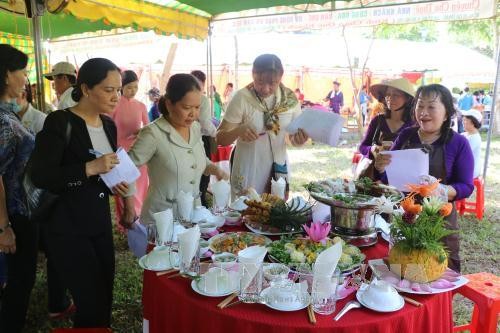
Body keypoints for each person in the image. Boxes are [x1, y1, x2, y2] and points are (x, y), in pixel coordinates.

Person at [31, 58, 128, 328]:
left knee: (104, 291)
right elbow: (42, 176)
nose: (116, 97)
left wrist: (114, 182)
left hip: (98, 221)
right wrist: (89, 168)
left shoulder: (108, 125)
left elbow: (102, 173)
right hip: (66, 226)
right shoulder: (60, 122)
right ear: (86, 89)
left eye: (118, 90)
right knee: (90, 298)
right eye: (109, 90)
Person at [374, 84, 474, 272]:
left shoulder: (459, 143)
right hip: (404, 215)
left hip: (438, 220)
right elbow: (390, 176)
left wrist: (442, 190)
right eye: (420, 106)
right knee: (402, 269)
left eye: (431, 106)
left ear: (446, 113)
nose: (423, 112)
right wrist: (381, 167)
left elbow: (466, 186)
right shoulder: (406, 135)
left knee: (434, 271)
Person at [120, 73, 228, 227]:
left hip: (193, 214)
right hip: (162, 218)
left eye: (197, 108)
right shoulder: (153, 133)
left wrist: (215, 169)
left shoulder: (195, 128)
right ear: (170, 104)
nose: (193, 114)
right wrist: (129, 208)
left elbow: (199, 159)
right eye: (186, 107)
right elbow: (125, 169)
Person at [15, 83, 74, 321]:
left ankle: (57, 301)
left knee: (53, 250)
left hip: (39, 198)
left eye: (21, 92)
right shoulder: (5, 119)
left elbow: (50, 168)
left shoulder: (41, 120)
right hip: (13, 201)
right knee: (23, 257)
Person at [216, 54, 309, 198]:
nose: (265, 89)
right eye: (259, 82)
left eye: (273, 83)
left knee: (275, 212)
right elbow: (220, 138)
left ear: (281, 77)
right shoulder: (242, 98)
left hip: (278, 167)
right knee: (247, 211)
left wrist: (298, 140)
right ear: (253, 74)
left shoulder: (290, 100)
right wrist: (238, 131)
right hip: (249, 166)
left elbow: (291, 138)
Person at [0, 44, 37, 333]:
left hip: (18, 209)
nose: (26, 78)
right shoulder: (1, 121)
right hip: (12, 214)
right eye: (22, 71)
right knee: (18, 280)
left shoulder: (6, 112)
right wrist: (4, 227)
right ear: (6, 74)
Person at [112, 70, 149, 231]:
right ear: (121, 87)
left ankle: (139, 219)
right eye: (129, 87)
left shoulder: (141, 105)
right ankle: (126, 223)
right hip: (119, 152)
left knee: (140, 187)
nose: (133, 91)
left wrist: (141, 132)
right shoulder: (113, 105)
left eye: (135, 87)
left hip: (138, 151)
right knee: (124, 189)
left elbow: (149, 128)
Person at [359, 78, 415, 160]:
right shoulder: (377, 121)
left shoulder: (413, 125)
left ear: (407, 99)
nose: (390, 98)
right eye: (388, 94)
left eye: (396, 95)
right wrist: (372, 149)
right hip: (378, 170)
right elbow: (363, 147)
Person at [190, 70, 217, 208]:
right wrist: (216, 133)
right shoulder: (202, 99)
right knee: (201, 172)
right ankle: (200, 203)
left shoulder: (202, 99)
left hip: (196, 139)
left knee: (197, 171)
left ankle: (198, 202)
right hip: (200, 139)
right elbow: (206, 123)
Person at [461, 109, 483, 178]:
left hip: (470, 171)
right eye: (463, 120)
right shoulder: (464, 134)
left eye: (465, 120)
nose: (463, 122)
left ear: (473, 123)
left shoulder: (475, 138)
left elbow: (461, 154)